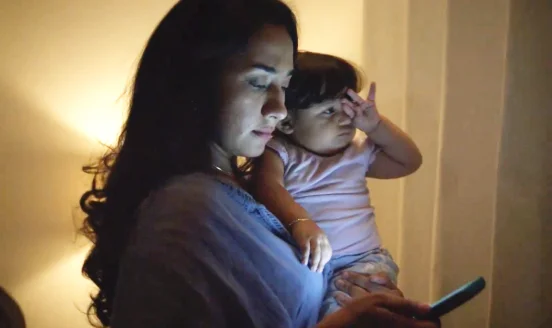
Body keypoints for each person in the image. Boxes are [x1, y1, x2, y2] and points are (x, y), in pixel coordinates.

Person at [79, 0, 438, 327]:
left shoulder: (232, 188)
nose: (279, 108)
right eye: (258, 82)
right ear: (195, 83)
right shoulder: (186, 208)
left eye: (283, 86)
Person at [251, 51, 423, 317]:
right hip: (307, 263)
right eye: (328, 111)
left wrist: (376, 126)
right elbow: (267, 187)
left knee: (349, 314)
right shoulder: (280, 152)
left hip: (364, 261)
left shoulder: (356, 153)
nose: (345, 119)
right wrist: (302, 222)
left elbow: (410, 161)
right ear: (287, 122)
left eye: (347, 108)